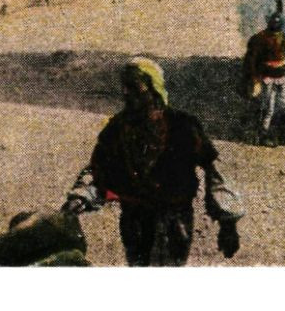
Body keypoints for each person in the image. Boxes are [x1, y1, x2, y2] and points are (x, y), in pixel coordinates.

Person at [63, 58, 242, 266]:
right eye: (124, 86)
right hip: (134, 221)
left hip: (175, 221)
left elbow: (215, 171)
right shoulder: (117, 128)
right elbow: (98, 168)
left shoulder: (183, 125)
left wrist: (228, 224)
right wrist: (81, 197)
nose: (125, 92)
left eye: (133, 86)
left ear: (153, 88)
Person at [243, 11, 285, 142]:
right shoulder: (259, 39)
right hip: (266, 78)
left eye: (278, 22)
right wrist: (254, 77)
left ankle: (272, 129)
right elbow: (251, 60)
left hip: (281, 78)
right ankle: (262, 133)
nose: (275, 24)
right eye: (273, 21)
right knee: (268, 108)